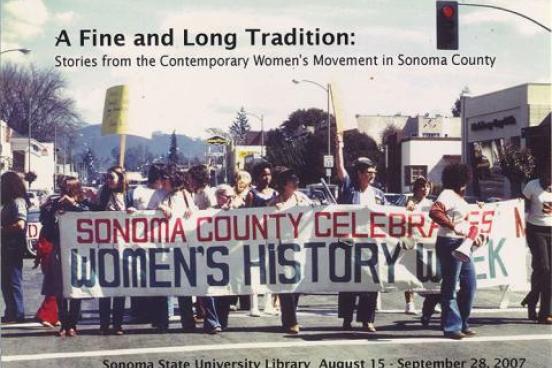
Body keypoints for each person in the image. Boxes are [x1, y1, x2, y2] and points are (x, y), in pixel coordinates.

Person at [335, 134, 385, 332]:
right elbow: (340, 169)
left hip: (372, 243)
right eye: (368, 172)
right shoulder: (349, 189)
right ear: (359, 173)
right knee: (350, 282)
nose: (371, 176)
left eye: (373, 172)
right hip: (351, 243)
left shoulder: (378, 194)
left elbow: (389, 215)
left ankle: (367, 320)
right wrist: (339, 146)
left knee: (370, 282)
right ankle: (347, 319)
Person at [429, 163, 483, 340]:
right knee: (451, 286)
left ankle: (462, 322)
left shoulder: (459, 198)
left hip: (463, 243)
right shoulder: (447, 194)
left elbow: (463, 222)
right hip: (449, 241)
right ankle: (452, 326)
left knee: (470, 284)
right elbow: (435, 212)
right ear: (462, 180)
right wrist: (453, 227)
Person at [148, 165, 198, 333]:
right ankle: (162, 321)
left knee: (183, 285)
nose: (162, 182)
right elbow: (146, 215)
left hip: (182, 245)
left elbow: (195, 212)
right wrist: (160, 208)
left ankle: (188, 321)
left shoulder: (185, 194)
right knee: (163, 284)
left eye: (165, 179)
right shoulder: (161, 196)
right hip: (163, 246)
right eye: (161, 179)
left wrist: (192, 210)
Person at [40, 176, 90, 336]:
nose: (65, 190)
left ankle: (73, 323)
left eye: (69, 188)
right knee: (59, 287)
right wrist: (49, 208)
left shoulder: (83, 203)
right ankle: (63, 322)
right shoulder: (55, 203)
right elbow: (46, 224)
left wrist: (73, 205)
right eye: (63, 187)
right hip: (59, 247)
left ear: (75, 189)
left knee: (76, 287)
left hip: (78, 249)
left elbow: (90, 216)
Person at [268, 168, 312, 334]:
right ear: (284, 184)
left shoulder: (302, 199)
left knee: (297, 284)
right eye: (293, 180)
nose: (296, 183)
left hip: (300, 246)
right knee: (285, 284)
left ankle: (289, 317)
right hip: (281, 247)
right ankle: (291, 320)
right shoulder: (273, 203)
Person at [127, 164, 165, 323]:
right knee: (139, 276)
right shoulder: (136, 192)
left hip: (160, 241)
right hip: (139, 241)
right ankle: (139, 311)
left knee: (159, 277)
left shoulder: (165, 192)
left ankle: (157, 312)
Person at [188, 164, 223, 334]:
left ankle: (213, 320)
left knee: (205, 284)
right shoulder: (195, 194)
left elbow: (214, 213)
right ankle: (207, 316)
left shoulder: (208, 194)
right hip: (197, 241)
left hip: (208, 244)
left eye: (191, 178)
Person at [403, 177, 441, 326]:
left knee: (430, 273)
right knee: (409, 272)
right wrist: (408, 208)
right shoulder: (409, 201)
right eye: (422, 187)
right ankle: (409, 302)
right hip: (412, 240)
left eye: (427, 187)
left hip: (428, 242)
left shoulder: (431, 203)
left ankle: (432, 301)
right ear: (416, 188)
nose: (425, 190)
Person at [94, 166, 128, 335]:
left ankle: (118, 323)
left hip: (122, 246)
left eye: (112, 177)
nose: (108, 180)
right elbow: (93, 211)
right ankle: (104, 323)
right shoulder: (102, 194)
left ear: (120, 179)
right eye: (107, 177)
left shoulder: (127, 195)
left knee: (120, 288)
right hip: (104, 246)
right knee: (105, 287)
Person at [521, 164, 552, 324]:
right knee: (545, 268)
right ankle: (540, 309)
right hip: (536, 230)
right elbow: (520, 205)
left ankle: (536, 304)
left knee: (544, 272)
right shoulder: (532, 185)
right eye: (548, 178)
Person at [1, 172, 29, 323]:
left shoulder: (18, 201)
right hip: (6, 245)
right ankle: (10, 311)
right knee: (5, 280)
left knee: (13, 279)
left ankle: (18, 312)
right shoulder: (8, 202)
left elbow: (20, 224)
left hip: (14, 246)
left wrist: (2, 229)